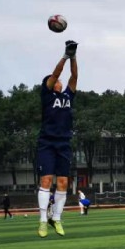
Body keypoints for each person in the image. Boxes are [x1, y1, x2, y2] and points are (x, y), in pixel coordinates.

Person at [36, 40, 78, 237]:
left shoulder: (68, 96)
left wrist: (73, 57)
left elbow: (74, 76)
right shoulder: (47, 95)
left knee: (63, 183)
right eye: (56, 80)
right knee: (46, 180)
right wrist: (64, 56)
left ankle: (57, 218)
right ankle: (43, 221)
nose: (60, 81)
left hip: (64, 144)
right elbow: (55, 74)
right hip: (47, 142)